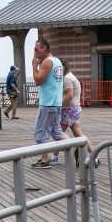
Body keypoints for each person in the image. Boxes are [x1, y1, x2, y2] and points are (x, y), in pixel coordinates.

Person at [30, 38, 68, 169]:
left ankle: (44, 160)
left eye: (36, 49)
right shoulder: (57, 61)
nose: (35, 52)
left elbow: (38, 80)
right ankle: (74, 147)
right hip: (56, 102)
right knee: (56, 131)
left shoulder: (47, 62)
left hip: (47, 103)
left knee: (40, 132)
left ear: (44, 48)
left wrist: (34, 66)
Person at [59, 62, 97, 167]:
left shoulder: (66, 79)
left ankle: (54, 156)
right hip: (74, 108)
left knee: (59, 133)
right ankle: (93, 154)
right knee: (76, 132)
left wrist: (59, 106)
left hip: (69, 109)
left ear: (63, 67)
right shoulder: (71, 77)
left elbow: (69, 95)